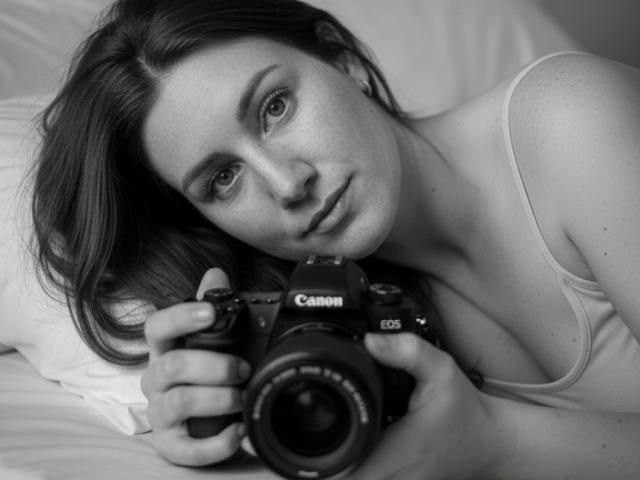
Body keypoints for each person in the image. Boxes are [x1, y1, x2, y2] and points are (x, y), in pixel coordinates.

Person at [30, 0, 640, 478]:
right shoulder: (338, 328)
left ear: (342, 62)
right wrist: (223, 421)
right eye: (222, 179)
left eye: (275, 107)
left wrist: (496, 441)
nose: (287, 184)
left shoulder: (567, 118)